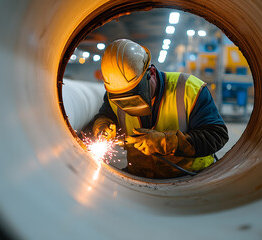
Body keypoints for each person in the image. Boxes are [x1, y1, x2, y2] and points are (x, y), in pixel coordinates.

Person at [92, 39, 228, 179]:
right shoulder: (113, 94)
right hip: (140, 177)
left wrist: (166, 142)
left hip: (189, 178)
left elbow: (217, 135)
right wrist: (102, 126)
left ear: (151, 73)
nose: (129, 104)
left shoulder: (188, 88)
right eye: (122, 98)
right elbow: (104, 115)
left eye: (134, 94)